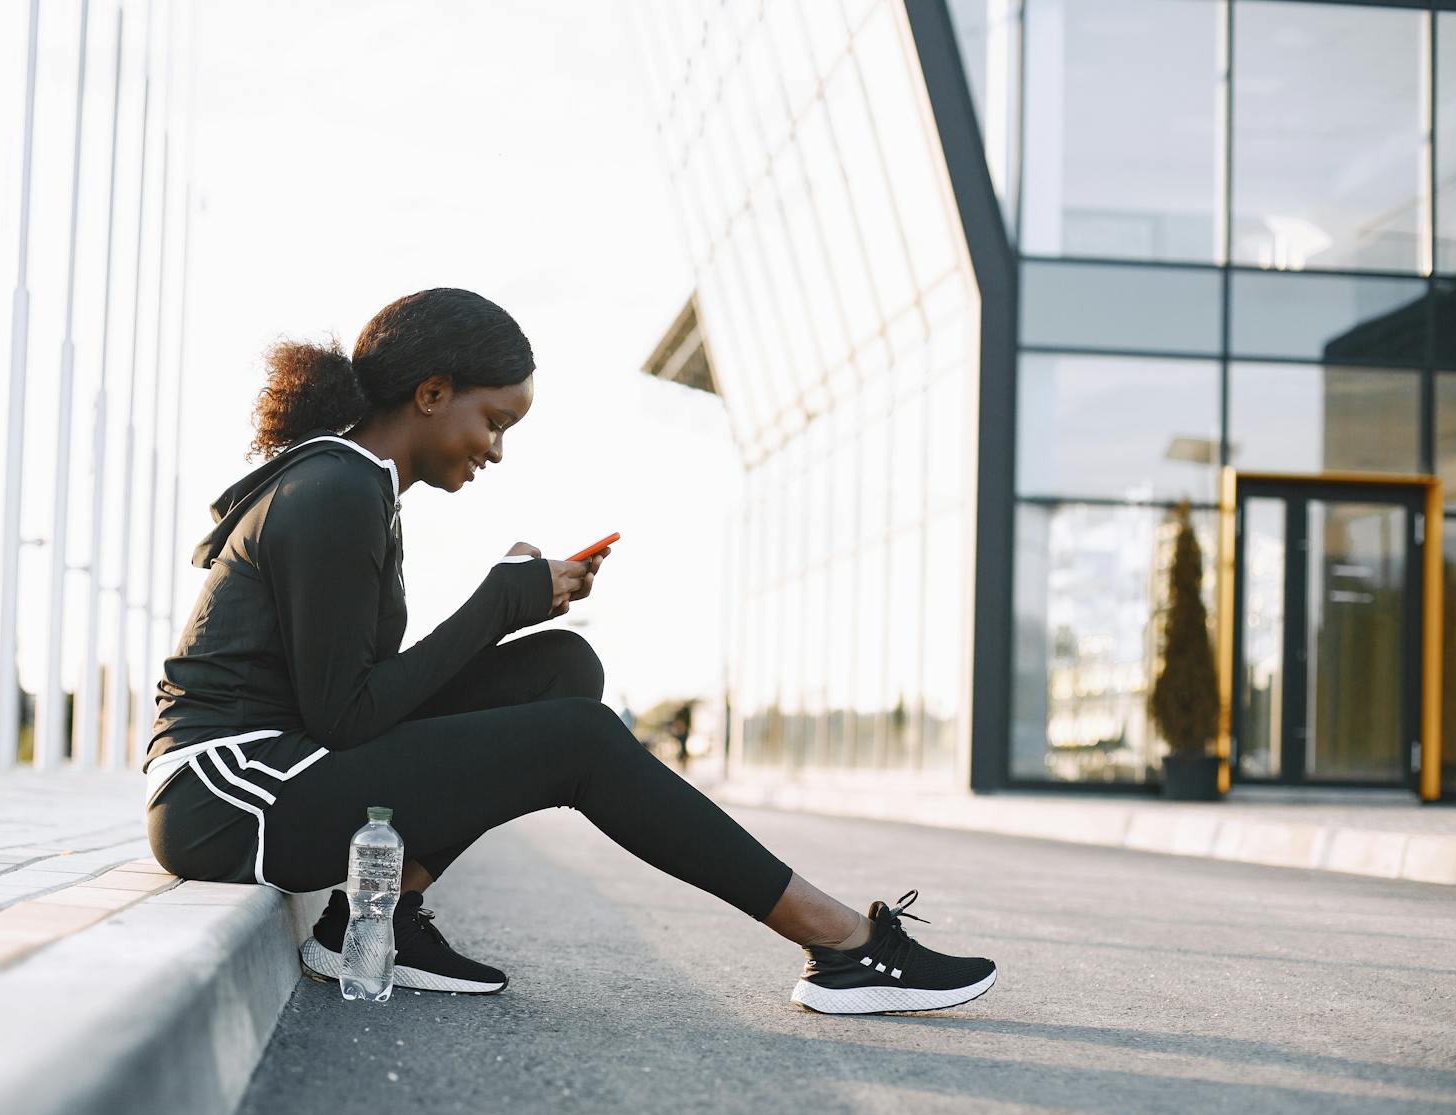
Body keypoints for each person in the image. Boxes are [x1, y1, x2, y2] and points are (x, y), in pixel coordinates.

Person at [141, 287, 995, 1014]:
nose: (496, 450)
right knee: (580, 740)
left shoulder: (356, 486)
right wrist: (495, 603)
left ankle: (382, 922)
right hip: (228, 802)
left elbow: (353, 703)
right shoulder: (335, 490)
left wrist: (513, 612)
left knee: (562, 670)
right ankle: (843, 943)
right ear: (432, 392)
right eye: (494, 421)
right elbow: (345, 713)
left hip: (279, 773)